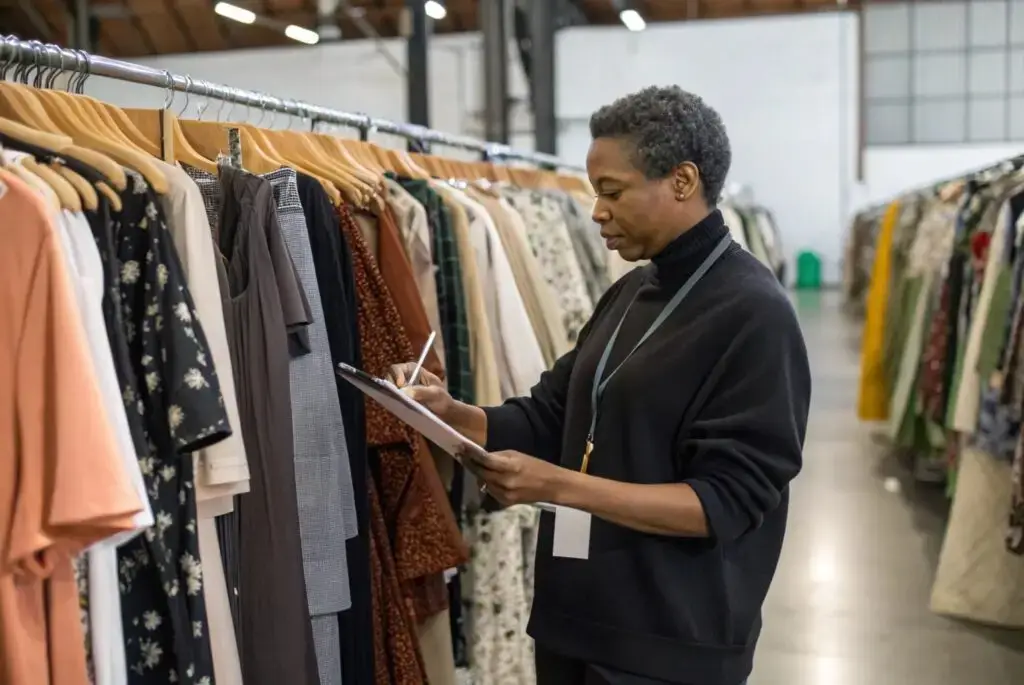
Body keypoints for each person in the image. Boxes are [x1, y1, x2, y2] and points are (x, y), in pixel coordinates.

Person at [389, 86, 811, 685]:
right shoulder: (632, 291)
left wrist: (563, 486)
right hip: (574, 621)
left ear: (682, 181)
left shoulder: (755, 314)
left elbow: (726, 501)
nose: (596, 212)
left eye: (612, 192)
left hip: (668, 645)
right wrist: (450, 413)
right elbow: (549, 416)